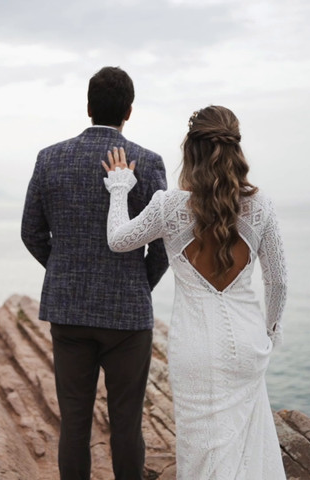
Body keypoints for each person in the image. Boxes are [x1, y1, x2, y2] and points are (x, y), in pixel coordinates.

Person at [101, 105, 287, 479]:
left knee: (202, 454)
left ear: (190, 150)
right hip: (248, 345)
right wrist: (271, 330)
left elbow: (119, 240)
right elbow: (278, 282)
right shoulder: (260, 205)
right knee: (249, 447)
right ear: (236, 149)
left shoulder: (169, 206)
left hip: (195, 350)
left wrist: (119, 189)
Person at [21, 66, 169, 480]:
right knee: (126, 424)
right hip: (127, 317)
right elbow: (162, 245)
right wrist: (139, 284)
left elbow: (31, 231)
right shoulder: (149, 162)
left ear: (88, 107)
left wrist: (65, 270)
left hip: (68, 313)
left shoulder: (49, 158)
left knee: (73, 423)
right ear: (129, 111)